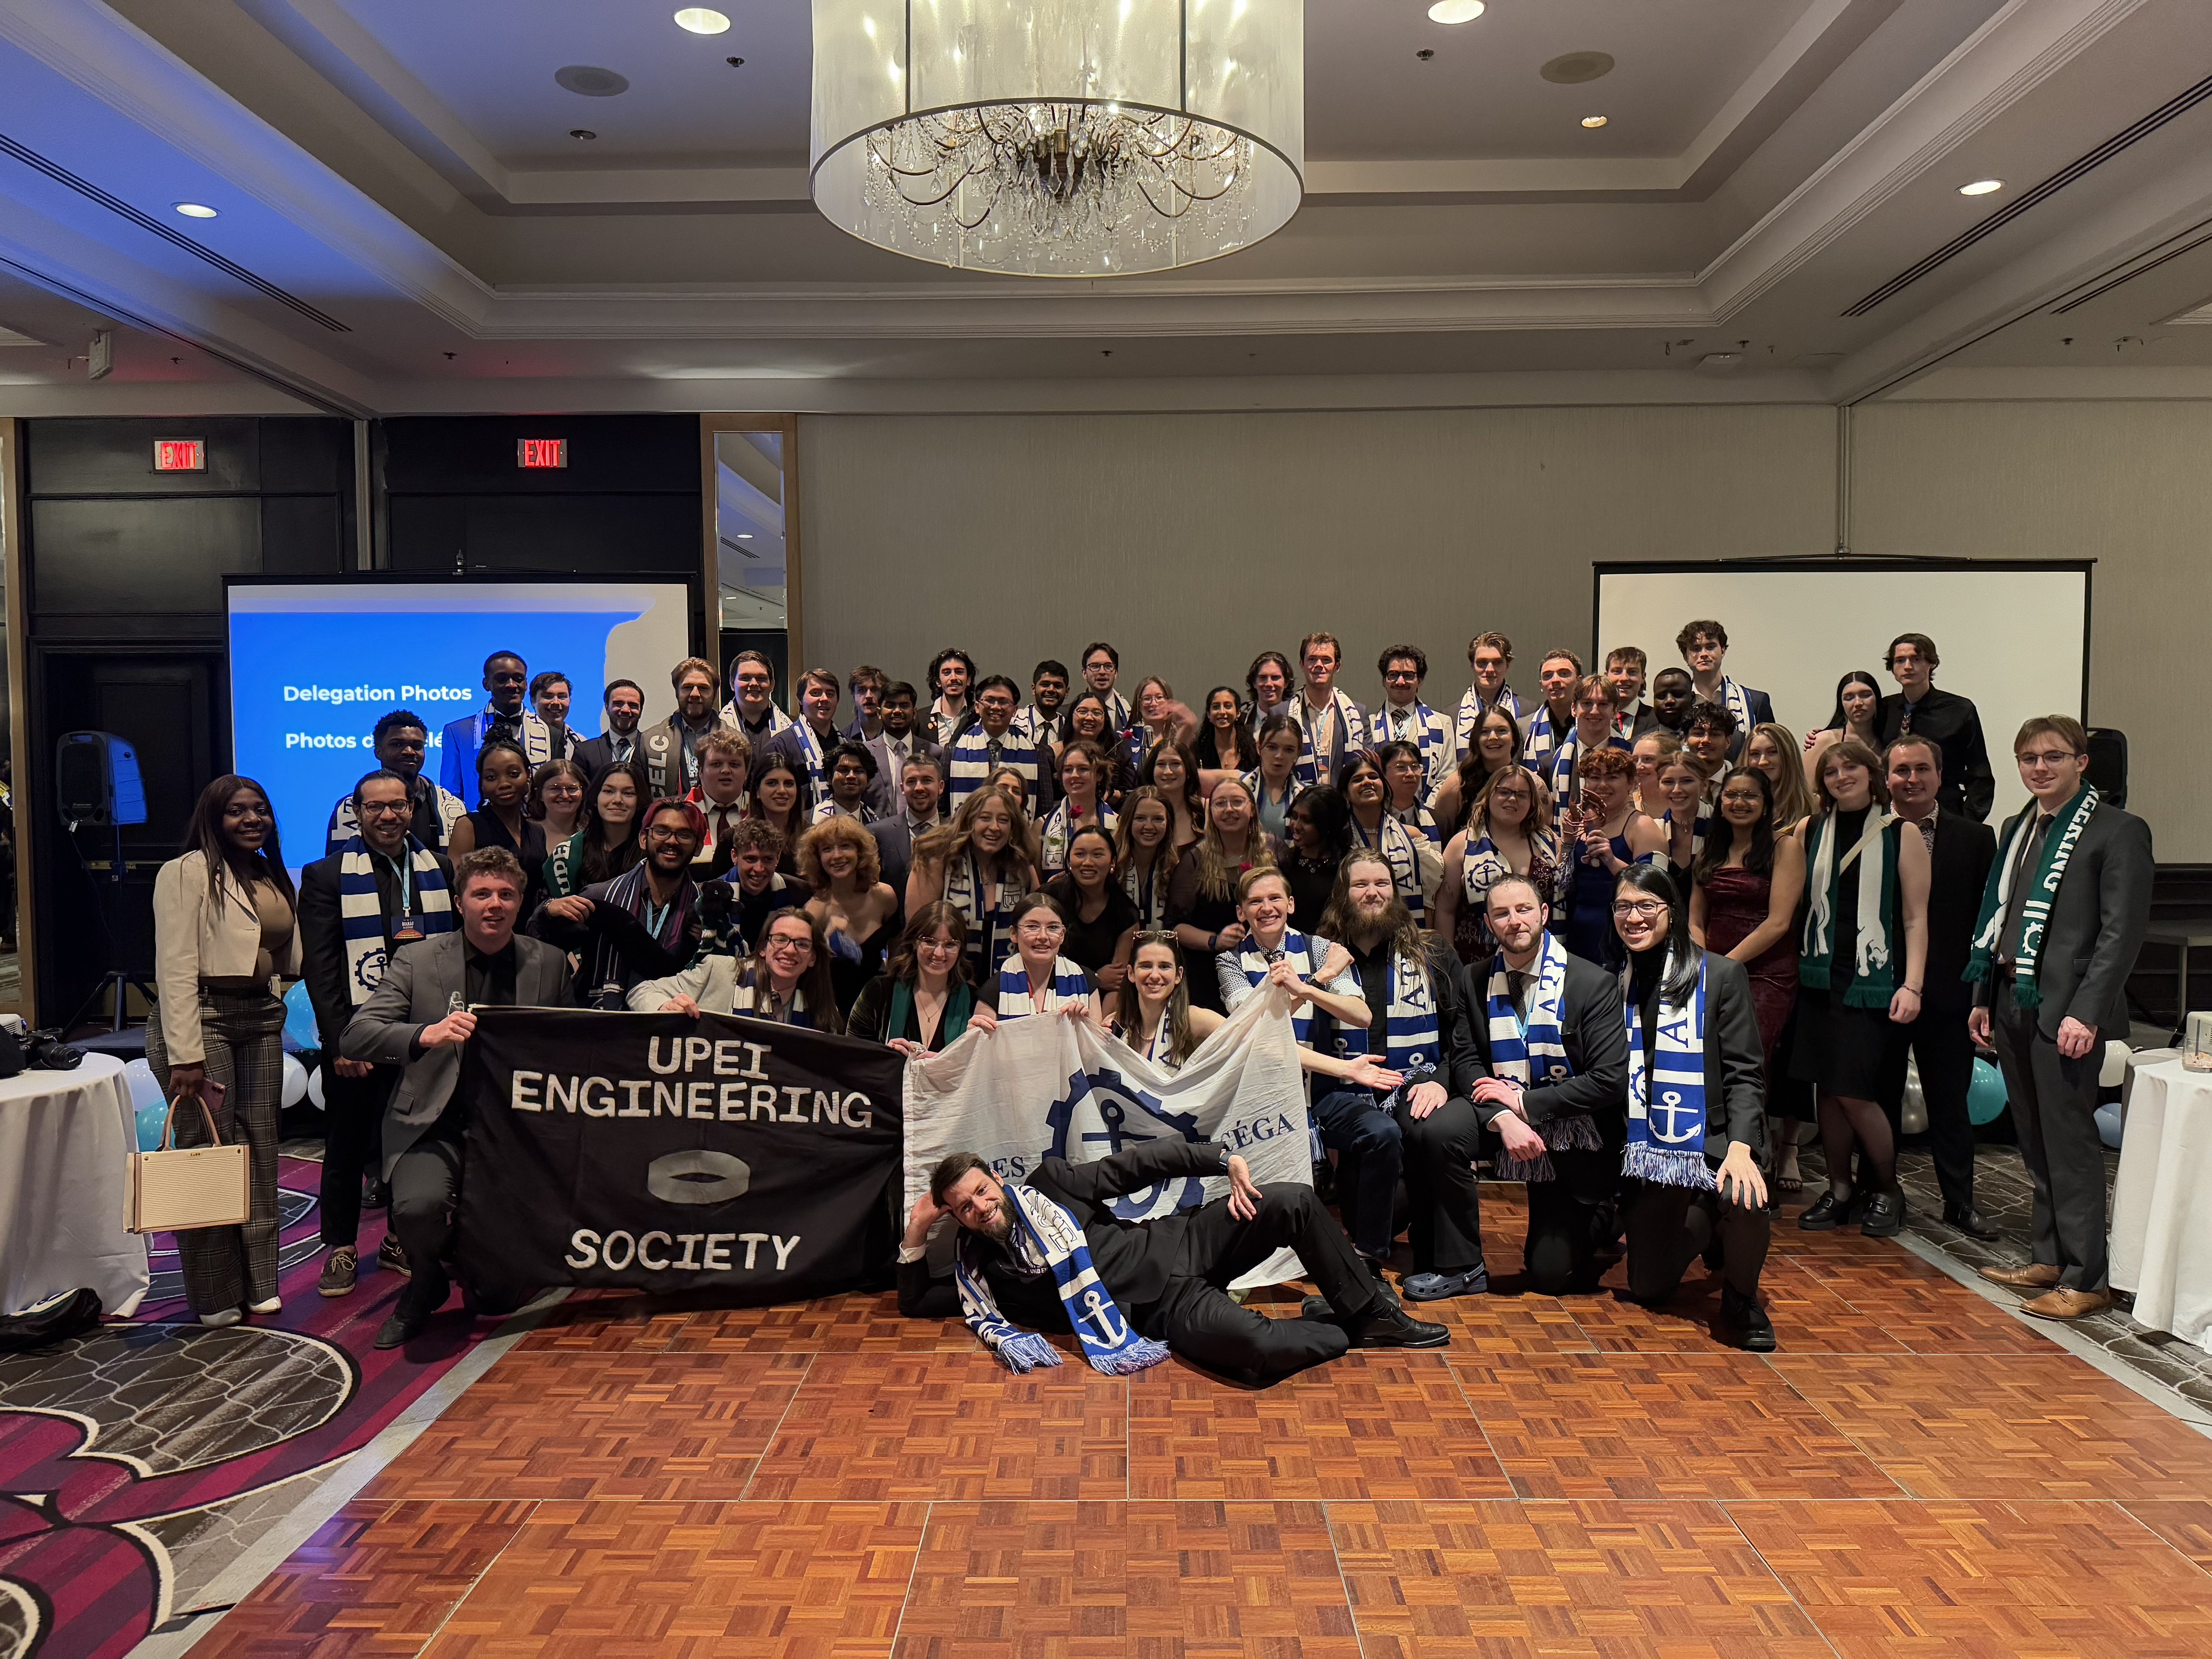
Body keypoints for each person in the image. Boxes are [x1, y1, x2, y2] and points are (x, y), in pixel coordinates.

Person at [900, 1141, 1449, 1386]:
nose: (980, 1208)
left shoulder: (1051, 1186)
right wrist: (918, 1231)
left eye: (982, 1192)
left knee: (1293, 1201)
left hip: (1182, 1241)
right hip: (1163, 1312)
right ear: (956, 1216)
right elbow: (918, 1300)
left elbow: (1137, 1165)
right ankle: (1344, 1328)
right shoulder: (985, 1277)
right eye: (963, 1207)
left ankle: (1370, 1314)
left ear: (997, 1179)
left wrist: (1221, 1159)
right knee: (1258, 1352)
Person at [341, 847, 572, 1350]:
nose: (495, 905)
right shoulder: (417, 959)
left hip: (516, 1133)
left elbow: (573, 1047)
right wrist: (424, 1034)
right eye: (482, 894)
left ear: (521, 902)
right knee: (417, 1208)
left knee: (497, 1299)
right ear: (459, 901)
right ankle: (426, 1282)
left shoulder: (550, 963)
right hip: (435, 1123)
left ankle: (476, 1257)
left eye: (506, 895)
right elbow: (356, 1037)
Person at [1969, 716, 2152, 1320]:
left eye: (2053, 756)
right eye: (2029, 758)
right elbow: (2002, 917)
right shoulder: (2018, 826)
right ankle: (2049, 1257)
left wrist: (2087, 1012)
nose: (2040, 768)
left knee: (2070, 1145)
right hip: (2013, 999)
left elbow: (2120, 934)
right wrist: (1982, 998)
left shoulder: (2118, 830)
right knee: (2034, 1139)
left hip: (2070, 1012)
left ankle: (2087, 1277)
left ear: (2081, 762)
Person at [147, 774, 301, 1327]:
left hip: (259, 1018)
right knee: (209, 1154)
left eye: (260, 809)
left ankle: (260, 1282)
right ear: (214, 818)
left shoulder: (268, 870)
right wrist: (185, 1055)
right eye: (238, 811)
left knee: (261, 1149)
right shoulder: (185, 872)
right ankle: (215, 1294)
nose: (252, 819)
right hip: (202, 1021)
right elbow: (174, 967)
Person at [298, 770, 454, 1297]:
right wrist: (341, 1040)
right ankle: (341, 1247)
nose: (388, 816)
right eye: (375, 807)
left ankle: (396, 1239)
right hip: (359, 1038)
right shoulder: (326, 876)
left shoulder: (439, 869)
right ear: (357, 813)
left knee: (410, 1143)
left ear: (412, 809)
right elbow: (320, 967)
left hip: (420, 1036)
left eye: (398, 806)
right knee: (347, 1145)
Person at [1609, 864, 1776, 1351]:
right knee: (1648, 1287)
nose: (1634, 917)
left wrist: (1741, 1147)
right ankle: (1706, 1222)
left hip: (1716, 1138)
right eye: (1623, 906)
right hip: (1653, 1148)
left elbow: (1746, 1074)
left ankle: (1742, 1299)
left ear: (1672, 912)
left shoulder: (1721, 975)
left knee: (1745, 1194)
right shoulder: (1613, 982)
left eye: (1647, 906)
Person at [1318, 851, 1482, 1300]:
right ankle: (1372, 1238)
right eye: (1361, 885)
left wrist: (1441, 1081)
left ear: (1395, 892)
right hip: (1347, 1094)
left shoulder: (1432, 952)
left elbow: (1460, 1034)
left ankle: (1450, 1262)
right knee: (1378, 1190)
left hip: (1417, 1082)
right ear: (1342, 895)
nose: (1373, 893)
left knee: (1433, 1130)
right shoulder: (1319, 956)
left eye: (1382, 884)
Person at [1792, 739, 1930, 1238]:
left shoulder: (1902, 833)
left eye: (1850, 767)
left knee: (1854, 1091)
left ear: (1872, 775)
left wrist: (1913, 985)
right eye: (1831, 771)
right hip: (1818, 977)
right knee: (1827, 1091)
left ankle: (1887, 1190)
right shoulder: (1810, 830)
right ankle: (1840, 1190)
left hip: (1871, 979)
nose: (1841, 777)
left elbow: (1915, 919)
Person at [1467, 875, 1628, 1297]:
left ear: (1543, 914)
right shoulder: (1474, 979)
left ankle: (1607, 1213)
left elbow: (1609, 1081)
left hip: (1581, 1140)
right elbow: (1465, 1060)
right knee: (1443, 1132)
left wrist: (1524, 1103)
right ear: (1489, 922)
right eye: (1502, 913)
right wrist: (1504, 1116)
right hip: (1519, 1135)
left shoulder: (1591, 982)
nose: (1514, 921)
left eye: (1524, 909)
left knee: (1550, 1276)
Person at [1882, 734, 1999, 1239]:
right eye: (1901, 770)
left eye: (1922, 769)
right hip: (1883, 993)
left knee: (1951, 1105)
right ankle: (1881, 1195)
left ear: (1940, 774)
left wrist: (1982, 996)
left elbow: (1987, 923)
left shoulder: (1976, 838)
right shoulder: (1870, 833)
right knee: (1881, 1101)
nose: (1912, 779)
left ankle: (1960, 1203)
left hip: (1951, 995)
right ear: (1886, 778)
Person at [1690, 767, 1808, 1184]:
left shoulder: (1784, 847)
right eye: (1732, 795)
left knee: (1753, 1058)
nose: (1739, 803)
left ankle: (1757, 1159)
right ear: (1720, 801)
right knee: (1711, 1055)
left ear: (1766, 803)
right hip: (1712, 967)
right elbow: (1696, 918)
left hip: (1766, 972)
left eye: (1750, 796)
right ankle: (1716, 1152)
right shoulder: (1710, 849)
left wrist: (1725, 966)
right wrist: (1704, 964)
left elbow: (1779, 923)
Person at [534, 798, 705, 1006]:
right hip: (605, 1019)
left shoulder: (705, 914)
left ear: (698, 847)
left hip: (677, 1019)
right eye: (661, 831)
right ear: (644, 839)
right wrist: (547, 911)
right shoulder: (601, 896)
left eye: (685, 835)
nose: (671, 841)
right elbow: (538, 946)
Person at [1216, 866, 1366, 1074]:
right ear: (1241, 912)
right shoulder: (1230, 961)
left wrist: (1305, 989)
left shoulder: (1318, 948)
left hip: (1317, 1081)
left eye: (1275, 898)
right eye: (1255, 901)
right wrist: (1319, 978)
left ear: (1290, 904)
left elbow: (1362, 1016)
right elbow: (1254, 1026)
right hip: (1259, 1078)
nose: (1267, 908)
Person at [631, 905, 844, 1030]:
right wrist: (665, 1007)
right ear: (763, 948)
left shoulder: (823, 1010)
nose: (789, 950)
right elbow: (641, 991)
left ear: (813, 958)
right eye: (780, 939)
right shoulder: (720, 970)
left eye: (802, 944)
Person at [1434, 764, 1562, 968]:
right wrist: (1449, 964)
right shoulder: (1462, 845)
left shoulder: (1548, 842)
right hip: (1475, 962)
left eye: (1522, 795)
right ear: (1488, 796)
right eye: (1504, 792)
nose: (1512, 799)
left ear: (1532, 802)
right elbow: (1445, 910)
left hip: (1540, 960)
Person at [1166, 775, 1274, 1013]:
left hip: (1269, 966)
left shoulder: (1275, 851)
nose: (1229, 809)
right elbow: (1175, 927)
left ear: (1252, 809)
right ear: (1211, 812)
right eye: (1220, 803)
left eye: (1237, 802)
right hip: (1209, 973)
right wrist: (1215, 940)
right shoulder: (1195, 859)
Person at [908, 784, 1037, 981]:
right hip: (944, 983)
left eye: (1004, 820)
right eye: (985, 818)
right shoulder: (936, 860)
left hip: (1006, 986)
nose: (995, 828)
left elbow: (1036, 926)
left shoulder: (1021, 868)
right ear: (969, 820)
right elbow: (918, 934)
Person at [1553, 747, 1665, 966]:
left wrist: (1612, 860)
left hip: (1622, 933)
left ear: (1632, 783)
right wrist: (1567, 843)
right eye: (1595, 778)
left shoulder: (1642, 826)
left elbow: (1657, 889)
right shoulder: (1580, 821)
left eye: (1613, 777)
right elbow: (1563, 883)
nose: (1602, 785)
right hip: (1577, 932)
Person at [1875, 633, 1995, 821]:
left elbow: (1979, 772)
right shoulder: (1884, 709)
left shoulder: (1959, 710)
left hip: (1946, 814)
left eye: (1916, 659)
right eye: (1900, 660)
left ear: (1931, 663)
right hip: (1892, 816)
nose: (1908, 666)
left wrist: (1968, 822)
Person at [849, 903, 1000, 1051]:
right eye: (930, 942)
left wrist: (973, 1049)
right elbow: (854, 1057)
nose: (939, 953)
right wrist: (888, 1056)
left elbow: (988, 1064)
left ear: (960, 949)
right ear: (914, 943)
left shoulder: (976, 1003)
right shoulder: (878, 992)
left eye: (950, 945)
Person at [325, 710, 466, 854]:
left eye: (417, 746)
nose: (409, 751)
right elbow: (338, 864)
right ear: (378, 752)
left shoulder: (452, 806)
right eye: (398, 744)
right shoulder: (352, 807)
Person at [799, 816, 900, 1013]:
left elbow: (898, 950)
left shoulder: (885, 896)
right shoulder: (814, 911)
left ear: (860, 852)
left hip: (879, 1005)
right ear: (817, 858)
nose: (837, 856)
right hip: (832, 1010)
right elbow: (806, 974)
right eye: (827, 849)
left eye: (845, 846)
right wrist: (826, 941)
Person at [445, 740, 547, 916]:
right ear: (482, 784)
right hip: (486, 925)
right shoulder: (469, 826)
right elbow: (457, 888)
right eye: (491, 778)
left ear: (528, 775)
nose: (504, 783)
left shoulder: (537, 831)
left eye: (514, 774)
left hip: (531, 928)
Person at [439, 651, 552, 804]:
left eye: (518, 679)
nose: (512, 685)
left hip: (535, 817)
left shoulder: (549, 733)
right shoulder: (458, 732)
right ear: (486, 684)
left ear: (526, 684)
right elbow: (450, 797)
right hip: (477, 818)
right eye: (502, 679)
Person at [1099, 930, 1222, 1070]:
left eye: (1164, 967)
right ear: (1131, 973)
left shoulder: (1191, 1019)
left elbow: (1243, 1042)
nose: (1155, 976)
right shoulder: (1119, 1026)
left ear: (1178, 975)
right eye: (1146, 966)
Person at [1043, 825, 1138, 990]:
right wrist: (1094, 978)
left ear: (1112, 862)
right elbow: (1035, 962)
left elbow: (1116, 982)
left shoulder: (1126, 912)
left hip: (1099, 999)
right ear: (1069, 861)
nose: (1087, 863)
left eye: (1098, 855)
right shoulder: (1048, 898)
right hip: (1046, 991)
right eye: (1080, 854)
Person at [1342, 750, 1431, 926]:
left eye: (1373, 777)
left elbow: (1429, 901)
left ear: (1384, 784)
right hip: (1352, 933)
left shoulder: (1412, 836)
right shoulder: (1338, 840)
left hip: (1406, 934)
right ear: (1346, 794)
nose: (1367, 782)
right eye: (1357, 779)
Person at [546, 760, 647, 900]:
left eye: (628, 793)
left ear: (639, 801)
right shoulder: (568, 854)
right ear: (595, 798)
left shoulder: (650, 850)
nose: (618, 800)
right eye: (608, 791)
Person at [1676, 619, 1773, 756]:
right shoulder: (1675, 705)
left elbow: (1771, 751)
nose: (1703, 654)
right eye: (1696, 649)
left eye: (1711, 647)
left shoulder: (1755, 701)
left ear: (1723, 650)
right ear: (1685, 656)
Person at [1542, 675, 1633, 818]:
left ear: (1615, 711)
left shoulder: (1632, 757)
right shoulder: (1550, 764)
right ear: (1574, 709)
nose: (1595, 711)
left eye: (1603, 704)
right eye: (1587, 703)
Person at [992, 892, 1094, 1020]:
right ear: (1014, 933)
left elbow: (1096, 1032)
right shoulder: (995, 988)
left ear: (1062, 935)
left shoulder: (1085, 981)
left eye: (1053, 927)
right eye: (1032, 927)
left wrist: (1086, 1025)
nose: (1043, 937)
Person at [946, 675, 1040, 809]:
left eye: (1004, 702)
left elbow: (1044, 808)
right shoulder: (953, 750)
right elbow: (942, 806)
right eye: (989, 701)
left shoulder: (1035, 752)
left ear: (1015, 710)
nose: (996, 707)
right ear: (977, 707)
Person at [871, 752, 947, 916]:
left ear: (941, 787)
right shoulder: (878, 834)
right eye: (911, 781)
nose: (919, 788)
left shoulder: (957, 833)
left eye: (927, 780)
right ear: (902, 788)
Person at [1428, 706, 1522, 832]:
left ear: (1514, 739)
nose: (1493, 737)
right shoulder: (1457, 784)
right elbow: (1440, 837)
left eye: (1501, 731)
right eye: (1485, 732)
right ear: (1476, 739)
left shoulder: (1532, 783)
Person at [638, 657, 723, 798]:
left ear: (715, 693)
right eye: (687, 687)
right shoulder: (648, 742)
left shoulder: (736, 741)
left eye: (703, 688)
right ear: (677, 692)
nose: (695, 694)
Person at [1292, 631, 1367, 788]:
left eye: (1326, 660)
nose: (1319, 665)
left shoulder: (1358, 714)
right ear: (1302, 665)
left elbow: (1366, 766)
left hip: (1343, 800)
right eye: (1312, 659)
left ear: (1337, 666)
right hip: (1298, 799)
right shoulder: (1282, 713)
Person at [761, 666, 845, 802]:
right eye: (816, 693)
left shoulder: (846, 745)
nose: (824, 699)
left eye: (830, 694)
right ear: (800, 699)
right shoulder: (779, 746)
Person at [1372, 645, 1450, 790]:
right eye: (1393, 675)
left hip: (1428, 804)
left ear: (1419, 680)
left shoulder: (1442, 724)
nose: (1400, 682)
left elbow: (1446, 779)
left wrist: (1425, 804)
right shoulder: (1368, 725)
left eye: (1408, 675)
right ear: (1384, 680)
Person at [1280, 785, 1353, 935]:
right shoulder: (1286, 863)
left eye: (1306, 820)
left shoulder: (1349, 867)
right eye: (1294, 816)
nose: (1296, 825)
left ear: (1327, 825)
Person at [1038, 739, 1116, 876]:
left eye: (1083, 769)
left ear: (1099, 775)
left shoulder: (1118, 824)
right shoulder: (1041, 826)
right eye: (1068, 770)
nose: (1074, 775)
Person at [863, 681, 941, 818]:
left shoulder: (935, 753)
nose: (897, 711)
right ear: (879, 713)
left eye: (904, 706)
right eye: (890, 706)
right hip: (875, 829)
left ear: (914, 713)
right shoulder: (864, 753)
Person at [1800, 670, 1882, 798]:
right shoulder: (1823, 741)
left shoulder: (1888, 740)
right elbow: (1807, 793)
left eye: (1866, 695)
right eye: (1849, 698)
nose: (1858, 703)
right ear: (1841, 704)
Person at [684, 727, 752, 879]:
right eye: (716, 764)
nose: (726, 771)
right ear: (700, 771)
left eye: (734, 764)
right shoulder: (677, 814)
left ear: (746, 772)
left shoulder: (761, 812)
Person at [723, 819, 801, 949]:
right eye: (751, 859)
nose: (759, 869)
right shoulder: (710, 896)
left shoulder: (798, 894)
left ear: (778, 857)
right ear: (735, 856)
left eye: (768, 859)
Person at [1113, 785, 1178, 933]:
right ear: (1128, 821)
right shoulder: (1110, 865)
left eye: (1158, 819)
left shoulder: (1177, 868)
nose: (1149, 826)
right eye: (1140, 818)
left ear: (1168, 823)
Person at [1453, 631, 1526, 760]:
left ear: (1507, 665)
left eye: (1497, 662)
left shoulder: (1528, 711)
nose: (1490, 669)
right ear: (1472, 666)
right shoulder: (1451, 716)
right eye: (1482, 663)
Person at [1743, 723, 1816, 835]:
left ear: (1788, 756)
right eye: (1755, 754)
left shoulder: (1814, 808)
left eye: (1772, 752)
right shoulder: (1736, 808)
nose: (1762, 762)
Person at [1519, 648, 1584, 770]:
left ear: (1579, 681)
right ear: (1541, 686)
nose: (1555, 680)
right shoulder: (1523, 727)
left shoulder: (1593, 722)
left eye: (1564, 674)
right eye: (1548, 676)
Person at [1138, 738, 1206, 854]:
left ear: (1188, 770)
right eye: (1161, 764)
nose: (1168, 771)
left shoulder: (1205, 810)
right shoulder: (1136, 811)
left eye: (1176, 764)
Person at [1245, 713, 1303, 842]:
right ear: (1259, 748)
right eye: (1272, 747)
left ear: (1298, 754)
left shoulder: (1306, 796)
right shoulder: (1239, 788)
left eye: (1289, 750)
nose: (1279, 756)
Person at [746, 753, 812, 866]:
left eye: (789, 784)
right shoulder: (735, 838)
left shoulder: (813, 838)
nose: (782, 790)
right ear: (757, 791)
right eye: (772, 783)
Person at [572, 679, 646, 776]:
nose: (626, 710)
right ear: (607, 708)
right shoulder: (585, 752)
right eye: (618, 703)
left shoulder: (652, 751)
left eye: (633, 705)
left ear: (641, 711)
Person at [1377, 739, 1441, 851]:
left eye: (1415, 767)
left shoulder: (1435, 818)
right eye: (1401, 767)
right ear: (1382, 773)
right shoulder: (1372, 818)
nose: (1411, 774)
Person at [721, 649, 794, 747]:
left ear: (772, 684)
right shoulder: (716, 727)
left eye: (761, 678)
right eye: (745, 678)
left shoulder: (793, 728)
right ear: (732, 684)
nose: (754, 684)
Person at [1192, 685, 1256, 785]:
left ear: (1238, 713)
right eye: (1216, 707)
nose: (1222, 712)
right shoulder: (1197, 751)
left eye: (1228, 706)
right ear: (1208, 714)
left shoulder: (1252, 751)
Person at [812, 741, 880, 825]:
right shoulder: (807, 821)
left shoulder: (876, 825)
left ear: (868, 780)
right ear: (829, 777)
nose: (851, 776)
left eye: (859, 771)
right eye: (843, 770)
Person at [528, 759, 589, 851]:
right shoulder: (524, 834)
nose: (565, 796)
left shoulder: (593, 835)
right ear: (539, 794)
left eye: (572, 789)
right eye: (555, 789)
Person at [927, 647, 978, 748]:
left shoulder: (978, 716)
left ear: (969, 680)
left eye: (959, 672)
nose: (953, 678)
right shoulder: (920, 720)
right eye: (947, 673)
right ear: (938, 681)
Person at [1629, 728, 1683, 823]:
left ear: (1672, 762)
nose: (1638, 766)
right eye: (1635, 760)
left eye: (1648, 759)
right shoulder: (1623, 805)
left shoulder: (1689, 803)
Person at [1078, 641, 1132, 734]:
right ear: (1084, 673)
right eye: (1095, 666)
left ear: (1116, 673)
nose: (1102, 672)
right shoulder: (1068, 715)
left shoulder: (1131, 716)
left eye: (1108, 666)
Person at [528, 671, 583, 762]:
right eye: (548, 697)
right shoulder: (522, 737)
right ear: (533, 701)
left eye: (562, 697)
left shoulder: (580, 743)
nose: (556, 702)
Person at [1606, 646, 1657, 740]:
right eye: (1617, 672)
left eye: (1632, 672)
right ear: (1606, 676)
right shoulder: (1594, 716)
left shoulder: (1656, 719)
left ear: (1643, 677)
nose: (1624, 678)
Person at [1021, 659, 1070, 750]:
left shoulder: (1070, 729)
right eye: (1045, 685)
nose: (1051, 690)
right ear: (1033, 689)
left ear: (1067, 692)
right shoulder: (1015, 723)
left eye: (1058, 686)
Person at [1245, 649, 1296, 729]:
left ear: (1286, 683)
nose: (1269, 684)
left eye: (1275, 678)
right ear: (1254, 683)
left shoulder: (1297, 718)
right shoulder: (1242, 718)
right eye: (1263, 678)